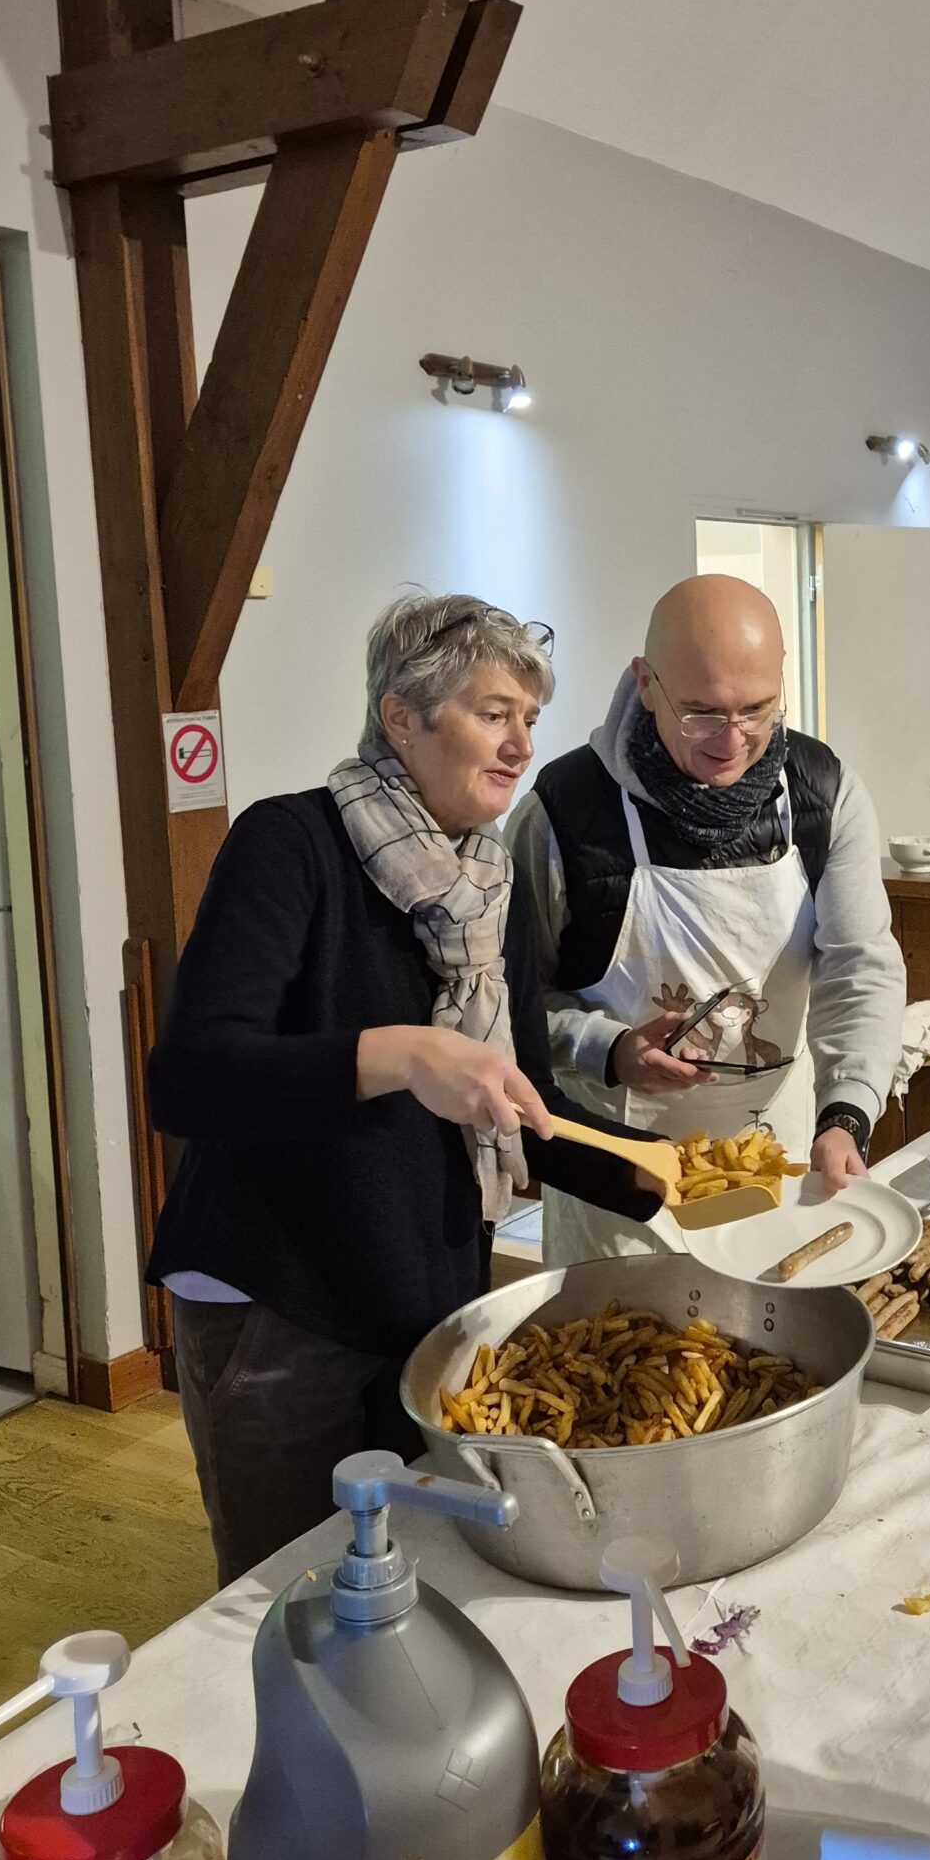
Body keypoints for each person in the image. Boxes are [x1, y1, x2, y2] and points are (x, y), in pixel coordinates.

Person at [147, 594, 659, 1584]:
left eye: (529, 718)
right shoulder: (290, 844)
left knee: (411, 1582)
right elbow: (192, 1079)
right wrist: (401, 1055)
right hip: (279, 1307)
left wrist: (669, 1174)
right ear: (401, 717)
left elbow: (524, 1107)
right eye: (494, 713)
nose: (521, 745)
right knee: (292, 1595)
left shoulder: (489, 885)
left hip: (424, 1301)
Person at [508, 573, 906, 1263]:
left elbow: (860, 965)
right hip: (618, 1181)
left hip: (776, 1157)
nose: (732, 740)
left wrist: (846, 1113)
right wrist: (607, 1048)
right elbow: (508, 1011)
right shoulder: (563, 813)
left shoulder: (823, 793)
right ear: (645, 683)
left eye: (757, 709)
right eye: (701, 712)